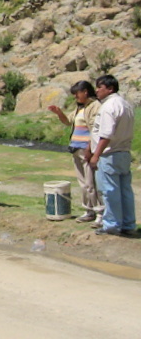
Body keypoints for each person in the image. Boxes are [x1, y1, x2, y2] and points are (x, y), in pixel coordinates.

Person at [48, 81, 103, 223]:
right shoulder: (80, 107)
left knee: (91, 183)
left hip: (87, 150)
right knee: (83, 183)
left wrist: (89, 149)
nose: (75, 97)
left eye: (76, 94)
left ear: (85, 92)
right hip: (76, 149)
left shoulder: (95, 106)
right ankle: (88, 210)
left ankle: (100, 213)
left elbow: (95, 130)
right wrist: (59, 113)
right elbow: (68, 121)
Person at [89, 75, 136, 236]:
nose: (97, 90)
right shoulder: (126, 104)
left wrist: (96, 155)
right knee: (125, 190)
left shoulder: (109, 107)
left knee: (110, 191)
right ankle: (129, 223)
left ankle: (112, 225)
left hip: (110, 154)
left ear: (110, 89)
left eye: (100, 87)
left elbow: (106, 134)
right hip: (124, 151)